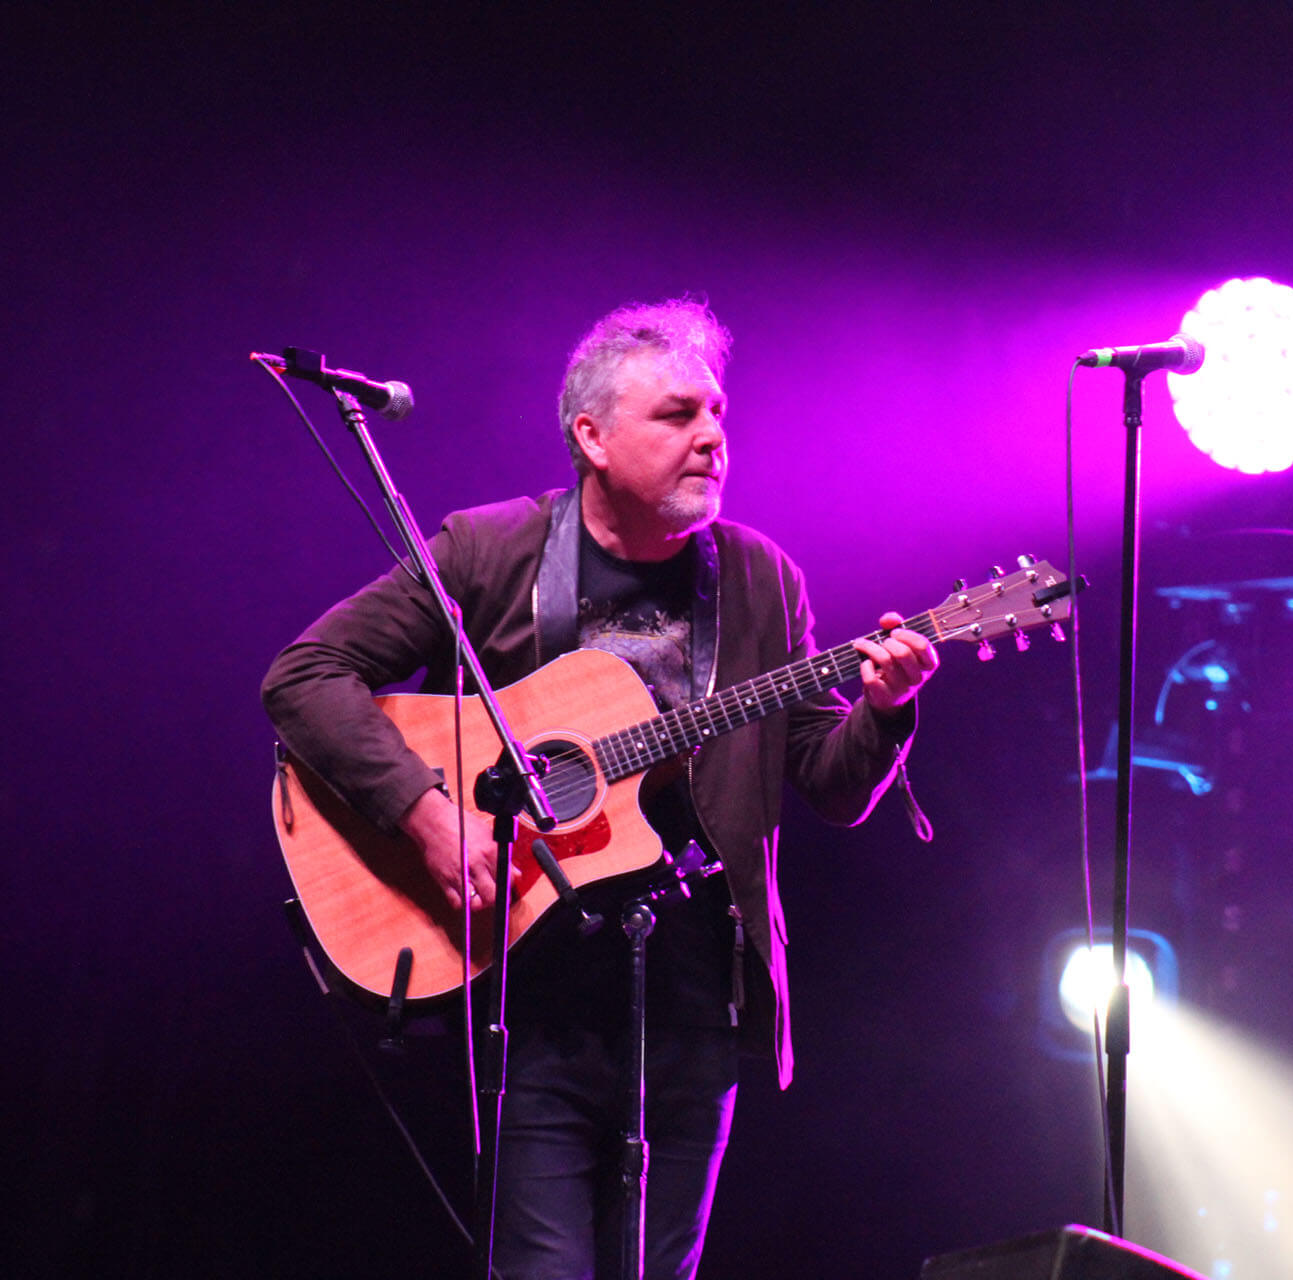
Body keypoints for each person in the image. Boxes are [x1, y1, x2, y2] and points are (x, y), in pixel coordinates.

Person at [263, 298, 937, 1279]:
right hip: (533, 994)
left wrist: (883, 710)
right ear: (592, 436)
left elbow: (830, 785)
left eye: (718, 414)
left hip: (694, 1001)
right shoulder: (489, 551)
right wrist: (428, 814)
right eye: (677, 415)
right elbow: (305, 676)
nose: (712, 437)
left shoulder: (761, 579)